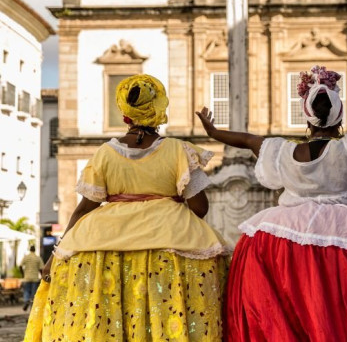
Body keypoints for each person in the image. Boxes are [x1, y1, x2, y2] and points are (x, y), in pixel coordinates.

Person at [197, 30, 347, 341]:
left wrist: (213, 131)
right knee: (346, 314)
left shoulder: (283, 152)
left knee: (295, 312)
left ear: (307, 118)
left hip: (284, 241)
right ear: (339, 116)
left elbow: (246, 139)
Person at [24, 75, 230, 341]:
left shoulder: (105, 153)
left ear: (125, 113)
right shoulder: (178, 150)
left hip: (102, 247)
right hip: (171, 244)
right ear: (159, 107)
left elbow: (84, 208)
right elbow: (200, 207)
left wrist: (54, 257)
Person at [20, 245, 44, 311]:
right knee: (33, 293)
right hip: (35, 278)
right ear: (34, 250)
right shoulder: (37, 258)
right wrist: (42, 276)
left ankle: (27, 301)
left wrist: (23, 274)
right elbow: (41, 268)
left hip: (26, 278)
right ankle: (32, 306)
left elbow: (20, 266)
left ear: (30, 250)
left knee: (26, 291)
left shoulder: (26, 257)